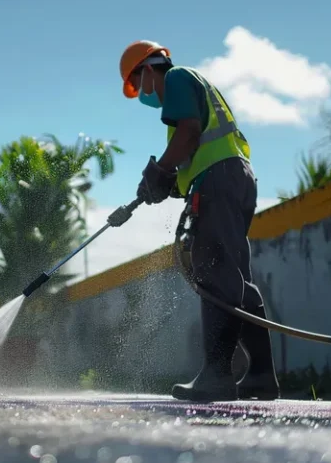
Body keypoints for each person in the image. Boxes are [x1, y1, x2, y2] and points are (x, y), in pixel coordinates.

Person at [115, 40, 280, 402]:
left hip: (219, 180)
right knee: (235, 277)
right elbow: (194, 148)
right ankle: (261, 376)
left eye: (137, 83)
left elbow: (189, 133)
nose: (142, 93)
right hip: (235, 177)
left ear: (146, 70)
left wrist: (159, 168)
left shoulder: (175, 79)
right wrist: (168, 182)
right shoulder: (195, 87)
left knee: (214, 270)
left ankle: (218, 375)